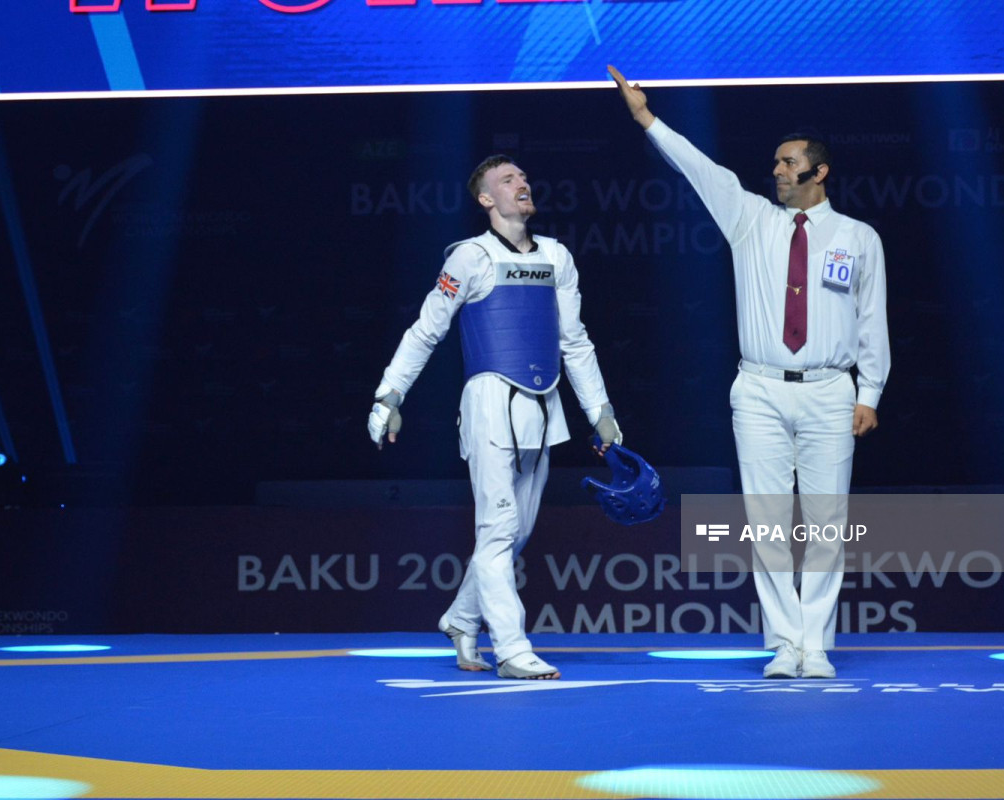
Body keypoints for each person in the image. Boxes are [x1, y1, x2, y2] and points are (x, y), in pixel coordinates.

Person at [608, 66, 890, 679]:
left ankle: (815, 643)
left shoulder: (858, 237)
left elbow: (873, 319)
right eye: (776, 164)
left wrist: (870, 391)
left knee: (825, 521)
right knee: (766, 520)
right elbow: (699, 167)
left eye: (790, 164)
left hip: (828, 388)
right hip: (759, 387)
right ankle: (785, 644)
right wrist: (645, 118)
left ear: (819, 172)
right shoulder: (750, 219)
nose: (779, 172)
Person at [368, 155, 623, 680]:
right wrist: (388, 398)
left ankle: (461, 620)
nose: (522, 184)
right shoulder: (469, 257)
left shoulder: (557, 256)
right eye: (508, 180)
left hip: (544, 404)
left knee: (515, 532)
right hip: (488, 401)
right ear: (486, 199)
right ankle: (512, 647)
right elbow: (426, 330)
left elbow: (574, 340)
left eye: (524, 177)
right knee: (499, 525)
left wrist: (600, 411)